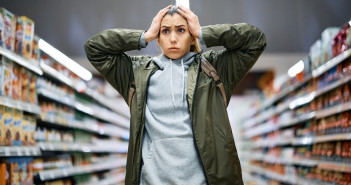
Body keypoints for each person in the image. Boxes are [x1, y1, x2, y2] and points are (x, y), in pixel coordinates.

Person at [84, 5, 266, 185]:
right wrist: (144, 36)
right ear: (158, 38)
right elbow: (94, 48)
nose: (172, 38)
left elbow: (255, 40)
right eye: (165, 31)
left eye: (181, 30)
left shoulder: (214, 69)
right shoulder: (137, 73)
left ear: (192, 36)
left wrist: (204, 33)